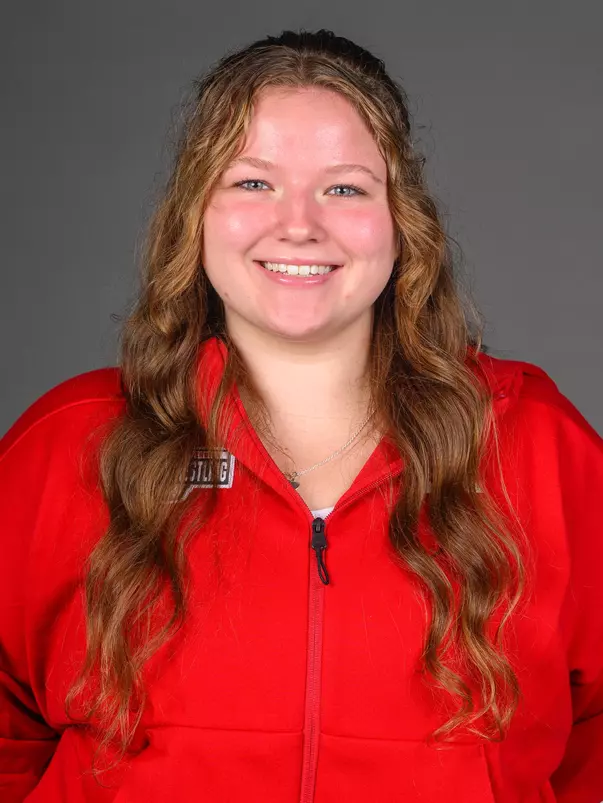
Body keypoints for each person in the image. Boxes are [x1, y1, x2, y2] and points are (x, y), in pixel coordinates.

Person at [0, 28, 601, 803]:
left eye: (344, 187)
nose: (298, 224)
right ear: (197, 212)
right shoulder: (70, 444)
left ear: (400, 220)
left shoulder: (535, 446)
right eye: (252, 183)